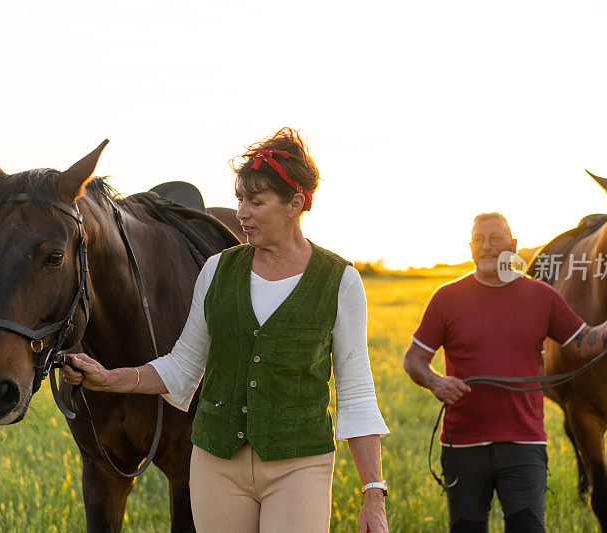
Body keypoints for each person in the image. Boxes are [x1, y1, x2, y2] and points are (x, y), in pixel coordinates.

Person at [62, 127, 389, 533]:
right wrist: (110, 379)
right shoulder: (217, 270)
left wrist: (373, 495)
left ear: (297, 204)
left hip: (298, 466)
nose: (241, 213)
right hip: (216, 464)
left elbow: (356, 393)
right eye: (239, 200)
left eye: (256, 201)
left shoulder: (340, 281)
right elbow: (183, 367)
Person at [402, 212, 607, 533]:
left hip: (524, 447)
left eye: (496, 238)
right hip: (464, 447)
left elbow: (583, 343)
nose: (487, 246)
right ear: (470, 248)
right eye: (479, 240)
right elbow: (414, 359)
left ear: (513, 245)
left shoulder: (541, 296)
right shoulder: (447, 297)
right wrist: (436, 382)